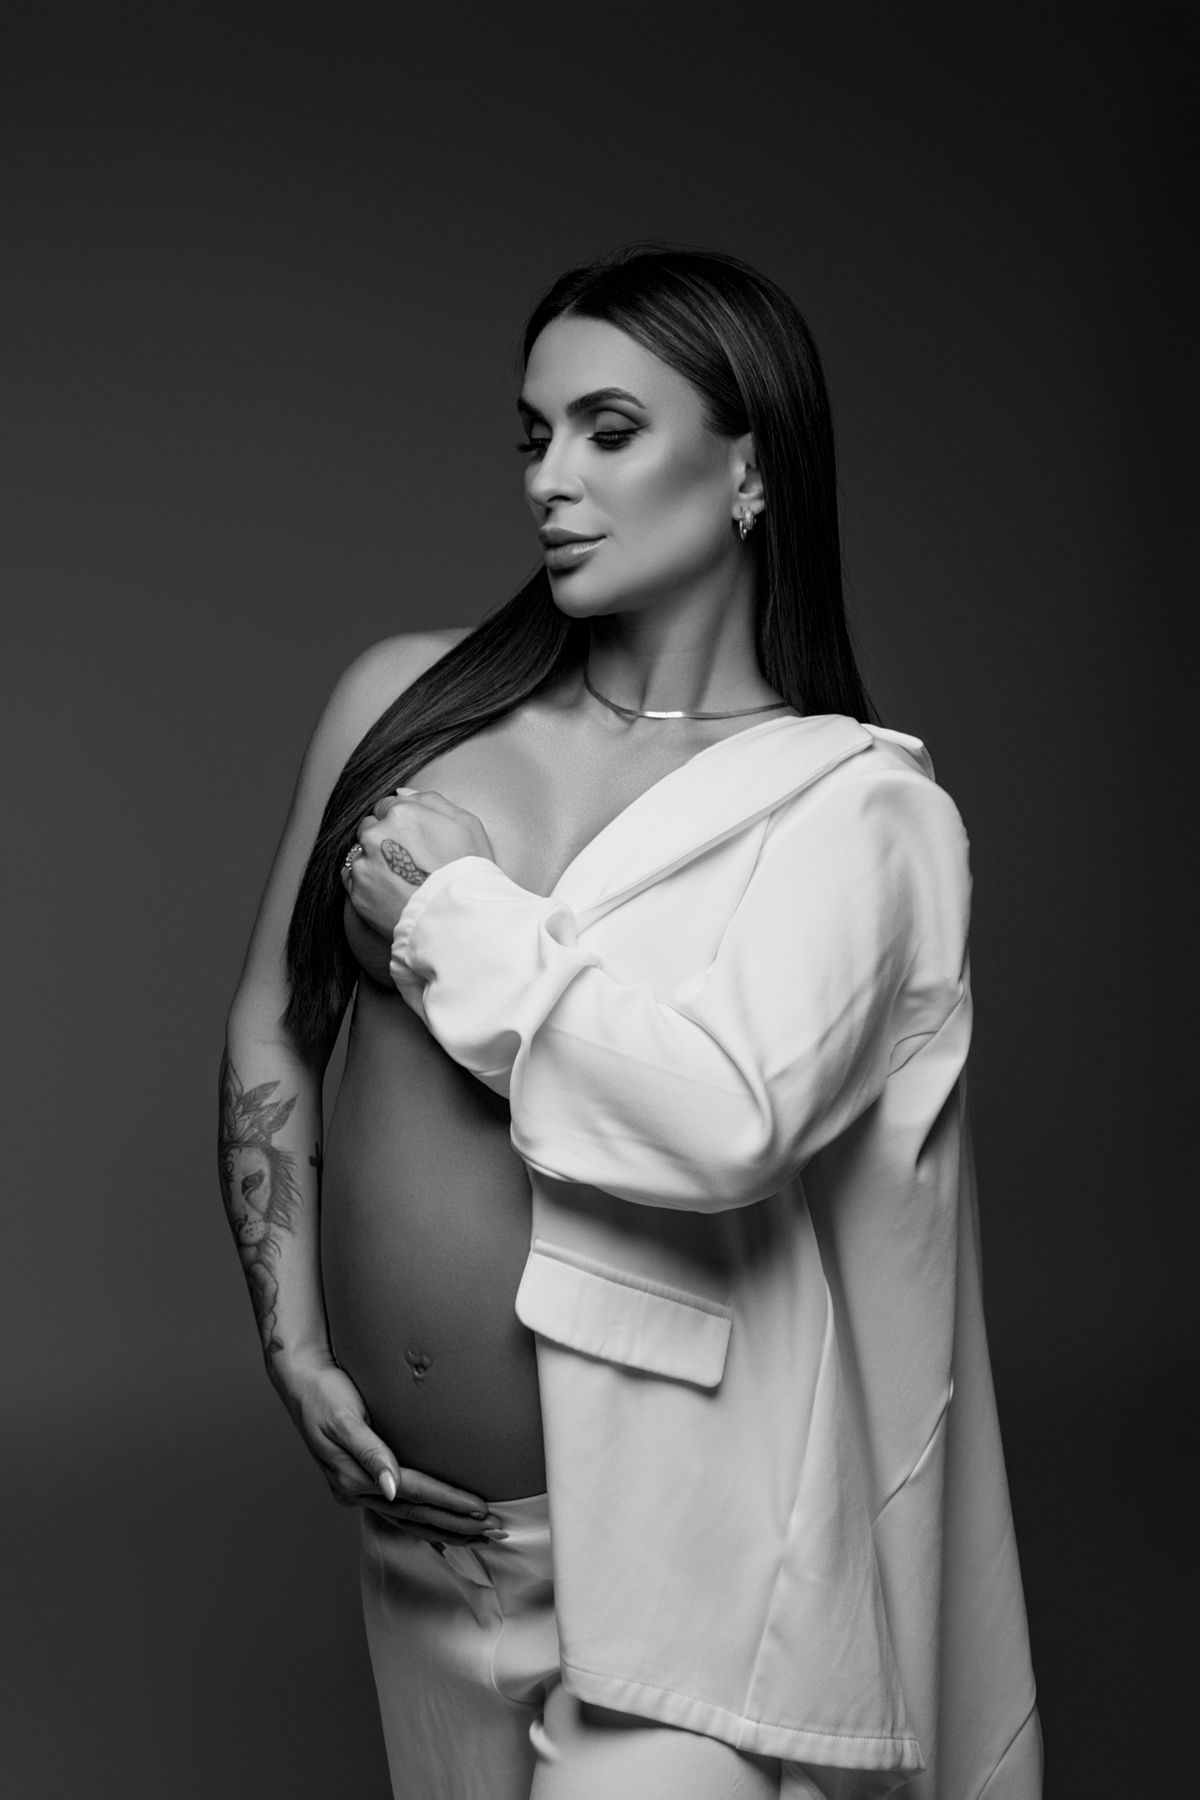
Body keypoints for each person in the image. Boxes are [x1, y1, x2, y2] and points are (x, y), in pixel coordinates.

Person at [220, 247, 1041, 1800]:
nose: (552, 479)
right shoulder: (406, 700)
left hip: (682, 1563)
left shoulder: (848, 810)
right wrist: (296, 1343)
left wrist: (454, 918)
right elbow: (276, 1025)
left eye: (609, 431)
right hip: (421, 1541)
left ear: (749, 472)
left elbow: (725, 1121)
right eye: (534, 436)